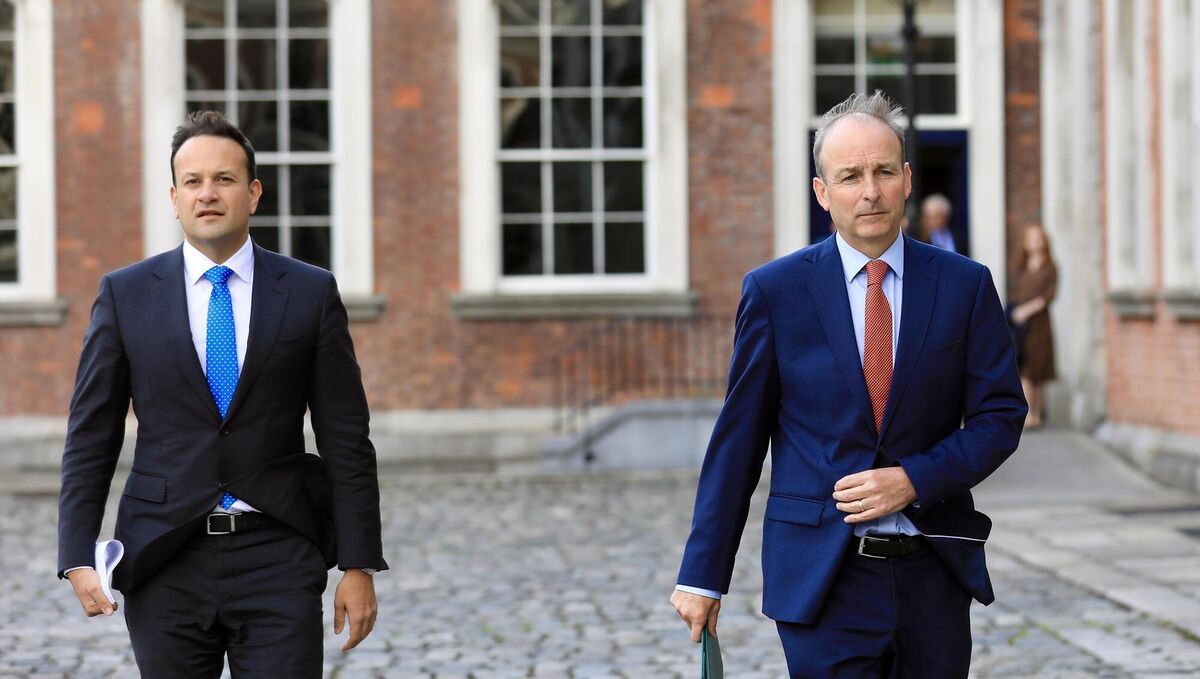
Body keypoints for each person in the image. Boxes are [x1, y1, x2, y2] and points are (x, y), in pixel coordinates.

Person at [670, 92, 1026, 678]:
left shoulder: (965, 286)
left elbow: (1000, 416)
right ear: (822, 192)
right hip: (822, 581)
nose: (870, 191)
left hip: (932, 572)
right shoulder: (776, 293)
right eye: (851, 176)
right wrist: (703, 573)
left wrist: (914, 479)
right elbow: (739, 440)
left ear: (907, 179)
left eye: (884, 171)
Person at [57, 111, 388, 678]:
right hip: (163, 557)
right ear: (175, 196)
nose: (207, 193)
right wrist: (76, 556)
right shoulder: (126, 295)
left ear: (253, 192)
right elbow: (92, 435)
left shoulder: (309, 292)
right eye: (193, 182)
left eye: (225, 179)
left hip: (278, 553)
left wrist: (358, 563)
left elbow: (346, 437)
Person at [1008, 224, 1057, 429]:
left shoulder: (1050, 267)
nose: (1035, 243)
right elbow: (1015, 294)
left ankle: (1038, 412)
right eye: (1031, 239)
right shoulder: (1020, 267)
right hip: (1021, 327)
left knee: (1039, 370)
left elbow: (1048, 296)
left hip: (1040, 324)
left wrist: (1026, 310)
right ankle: (1029, 415)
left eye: (1038, 239)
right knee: (1025, 369)